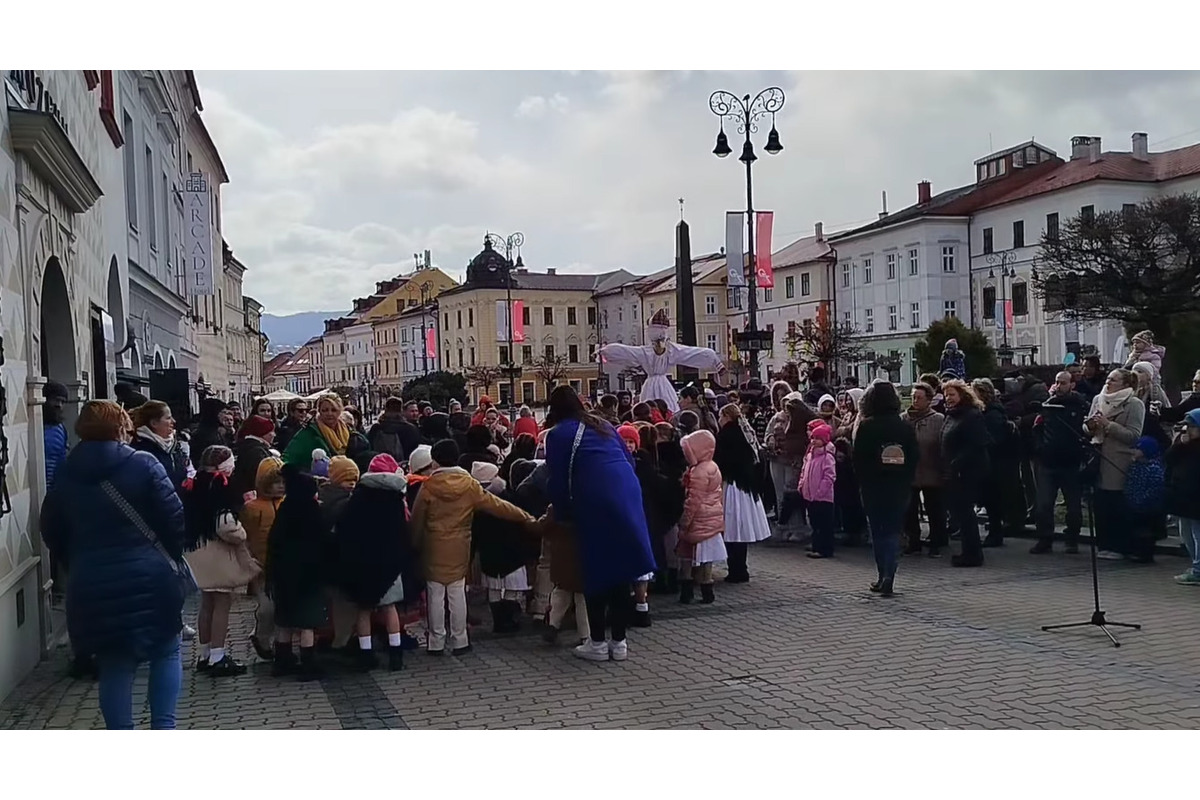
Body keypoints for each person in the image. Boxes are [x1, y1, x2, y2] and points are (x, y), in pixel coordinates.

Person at [39, 400, 187, 729]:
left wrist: (77, 561)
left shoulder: (66, 472)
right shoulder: (144, 464)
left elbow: (50, 527)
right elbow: (174, 518)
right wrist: (169, 556)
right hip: (150, 576)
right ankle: (164, 728)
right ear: (122, 427)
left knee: (115, 665)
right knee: (166, 650)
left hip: (92, 580)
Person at [544, 386, 656, 663]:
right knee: (620, 571)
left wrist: (562, 513)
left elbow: (557, 479)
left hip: (594, 499)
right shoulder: (603, 425)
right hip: (627, 495)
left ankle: (596, 642)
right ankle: (619, 642)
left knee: (595, 573)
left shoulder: (557, 434)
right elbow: (628, 460)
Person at [410, 439, 533, 656]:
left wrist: (414, 545)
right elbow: (498, 506)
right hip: (459, 548)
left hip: (434, 547)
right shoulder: (469, 485)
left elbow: (417, 520)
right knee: (457, 594)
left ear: (435, 461)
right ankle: (460, 640)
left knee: (435, 595)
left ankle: (435, 642)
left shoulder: (428, 487)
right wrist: (525, 516)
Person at [183, 445, 260, 676]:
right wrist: (242, 534)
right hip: (218, 554)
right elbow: (226, 526)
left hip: (197, 550)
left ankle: (204, 653)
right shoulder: (222, 487)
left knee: (206, 604)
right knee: (222, 604)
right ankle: (218, 655)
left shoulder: (194, 484)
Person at [331, 454, 413, 672]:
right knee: (390, 608)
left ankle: (366, 654)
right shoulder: (396, 499)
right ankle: (396, 654)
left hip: (363, 562)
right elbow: (402, 532)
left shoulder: (358, 497)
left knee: (364, 609)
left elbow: (346, 530)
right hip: (389, 563)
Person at [852, 383, 919, 597]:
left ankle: (883, 574)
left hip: (873, 486)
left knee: (878, 531)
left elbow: (858, 459)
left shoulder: (867, 426)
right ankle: (890, 572)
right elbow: (914, 456)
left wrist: (864, 480)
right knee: (892, 530)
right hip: (899, 486)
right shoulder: (905, 426)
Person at [267, 466, 329, 680]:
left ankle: (282, 660)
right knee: (306, 624)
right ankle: (308, 663)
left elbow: (274, 541)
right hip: (308, 576)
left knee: (285, 620)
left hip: (283, 574)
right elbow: (323, 542)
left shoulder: (285, 509)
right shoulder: (312, 511)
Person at [471, 460, 540, 635]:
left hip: (489, 554)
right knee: (511, 587)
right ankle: (510, 620)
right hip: (513, 553)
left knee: (494, 587)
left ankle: (499, 622)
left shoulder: (477, 505)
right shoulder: (511, 499)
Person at [1085, 369, 1146, 561]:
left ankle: (1120, 546)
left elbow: (1133, 435)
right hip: (1097, 457)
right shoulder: (1098, 399)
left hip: (1118, 460)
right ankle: (1104, 544)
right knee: (1100, 504)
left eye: (1114, 379)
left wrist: (1108, 425)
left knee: (1116, 504)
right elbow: (1087, 428)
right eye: (1108, 378)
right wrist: (1090, 426)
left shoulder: (1134, 403)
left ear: (1126, 384)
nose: (1108, 382)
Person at [1030, 371, 1088, 555]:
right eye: (1057, 382)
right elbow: (1037, 428)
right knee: (1044, 504)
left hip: (1071, 463)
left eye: (1063, 383)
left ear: (1072, 385)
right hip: (1048, 462)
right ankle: (1044, 539)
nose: (1059, 386)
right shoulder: (1047, 405)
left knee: (1073, 506)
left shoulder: (1080, 405)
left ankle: (1072, 538)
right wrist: (1040, 448)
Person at [714, 404, 772, 582]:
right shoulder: (747, 433)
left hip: (731, 485)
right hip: (746, 487)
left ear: (727, 416)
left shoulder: (726, 435)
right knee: (741, 529)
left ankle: (735, 569)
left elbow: (721, 461)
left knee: (731, 527)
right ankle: (741, 567)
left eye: (721, 416)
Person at [940, 380, 991, 568]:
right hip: (953, 470)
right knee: (960, 512)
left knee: (966, 512)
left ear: (962, 395)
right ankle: (967, 550)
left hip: (967, 471)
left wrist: (958, 462)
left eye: (952, 394)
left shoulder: (971, 416)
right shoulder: (951, 415)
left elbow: (977, 443)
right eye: (946, 395)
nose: (948, 398)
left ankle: (973, 554)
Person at [239, 457, 284, 660]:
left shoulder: (286, 504)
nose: (280, 486)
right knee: (267, 608)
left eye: (283, 482)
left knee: (280, 607)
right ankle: (262, 638)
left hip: (282, 564)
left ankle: (276, 642)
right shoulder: (252, 508)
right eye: (276, 482)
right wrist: (248, 559)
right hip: (260, 565)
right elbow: (245, 537)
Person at [675, 429, 725, 604]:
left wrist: (684, 521)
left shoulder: (698, 471)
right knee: (706, 558)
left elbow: (694, 499)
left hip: (698, 519)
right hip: (711, 517)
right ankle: (707, 592)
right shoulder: (713, 466)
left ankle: (687, 592)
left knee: (687, 554)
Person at [973, 378, 1022, 549]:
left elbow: (993, 440)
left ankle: (995, 533)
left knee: (993, 500)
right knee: (992, 500)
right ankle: (995, 531)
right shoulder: (991, 412)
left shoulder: (992, 414)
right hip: (994, 463)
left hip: (995, 464)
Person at [903, 383, 946, 557]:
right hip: (910, 472)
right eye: (913, 397)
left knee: (934, 509)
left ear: (929, 400)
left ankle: (937, 541)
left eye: (919, 397)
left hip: (931, 470)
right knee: (909, 509)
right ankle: (913, 541)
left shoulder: (938, 419)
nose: (915, 401)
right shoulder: (904, 419)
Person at [1165, 409, 1200, 585]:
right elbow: (1169, 459)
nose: (1188, 430)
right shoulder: (1184, 444)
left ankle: (1198, 569)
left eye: (1192, 426)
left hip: (1196, 496)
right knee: (1185, 532)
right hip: (1183, 495)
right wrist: (1178, 443)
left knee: (1197, 533)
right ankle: (1195, 564)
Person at [129, 400, 190, 495]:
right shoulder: (140, 450)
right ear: (154, 423)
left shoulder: (176, 446)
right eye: (168, 418)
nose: (173, 421)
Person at [282, 393, 359, 466]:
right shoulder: (309, 432)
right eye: (325, 410)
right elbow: (288, 457)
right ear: (319, 411)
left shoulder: (349, 430)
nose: (329, 413)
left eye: (334, 410)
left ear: (340, 411)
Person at [1123, 436, 1166, 564]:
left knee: (1146, 531)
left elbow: (1156, 488)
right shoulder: (1135, 466)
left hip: (1148, 507)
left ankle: (1145, 554)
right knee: (1135, 530)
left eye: (1138, 449)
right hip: (1133, 503)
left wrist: (1143, 500)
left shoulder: (1154, 468)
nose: (1134, 451)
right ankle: (1136, 551)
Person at [800, 421, 838, 559]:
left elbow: (829, 476)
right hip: (810, 495)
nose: (813, 441)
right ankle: (816, 546)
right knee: (815, 523)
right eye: (813, 438)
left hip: (823, 497)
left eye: (817, 438)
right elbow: (804, 471)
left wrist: (820, 492)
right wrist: (802, 484)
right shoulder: (810, 455)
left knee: (824, 525)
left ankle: (825, 549)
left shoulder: (827, 457)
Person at [230, 414, 276, 499]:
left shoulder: (249, 446)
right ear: (262, 433)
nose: (274, 435)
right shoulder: (256, 452)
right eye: (271, 432)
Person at [368, 397, 422, 462]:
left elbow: (370, 448)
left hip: (381, 464)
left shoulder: (376, 428)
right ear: (401, 410)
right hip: (404, 465)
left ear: (386, 409)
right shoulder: (410, 429)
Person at [189, 398, 231, 469]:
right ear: (215, 413)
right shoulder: (205, 434)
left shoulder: (215, 431)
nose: (225, 416)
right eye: (223, 412)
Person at [43, 380, 70, 491]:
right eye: (55, 400)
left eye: (62, 402)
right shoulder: (33, 427)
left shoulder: (61, 428)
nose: (59, 405)